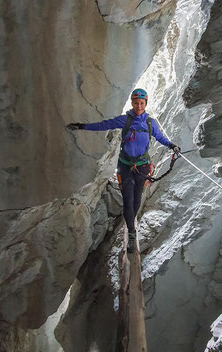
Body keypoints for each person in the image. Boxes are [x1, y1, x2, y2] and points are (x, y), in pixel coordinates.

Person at [67, 88, 180, 253]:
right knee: (128, 199)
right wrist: (81, 126)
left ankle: (130, 219)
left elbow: (160, 137)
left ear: (145, 104)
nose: (139, 106)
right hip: (125, 165)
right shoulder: (125, 120)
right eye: (136, 103)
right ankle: (132, 234)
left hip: (142, 165)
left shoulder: (150, 123)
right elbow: (104, 125)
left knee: (136, 200)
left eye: (142, 103)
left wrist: (172, 145)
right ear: (132, 103)